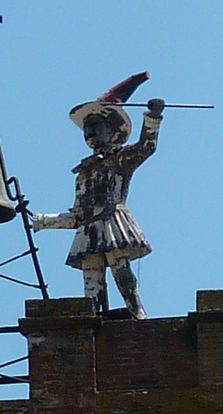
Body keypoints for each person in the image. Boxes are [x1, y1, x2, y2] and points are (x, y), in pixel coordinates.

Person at [29, 72, 164, 318]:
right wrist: (44, 221)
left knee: (120, 268)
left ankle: (137, 312)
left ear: (112, 130)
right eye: (86, 130)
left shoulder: (120, 159)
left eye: (95, 127)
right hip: (90, 229)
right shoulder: (83, 173)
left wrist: (153, 118)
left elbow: (146, 147)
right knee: (91, 277)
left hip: (113, 222)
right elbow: (79, 215)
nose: (89, 134)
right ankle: (93, 319)